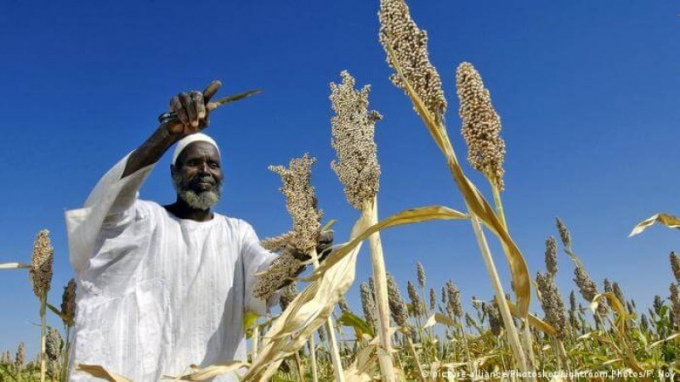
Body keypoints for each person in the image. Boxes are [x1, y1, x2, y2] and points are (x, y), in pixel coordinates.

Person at [64, 83, 331, 381]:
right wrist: (169, 133)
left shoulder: (237, 232)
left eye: (213, 164)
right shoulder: (145, 220)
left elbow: (264, 280)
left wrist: (297, 257)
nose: (205, 169)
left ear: (222, 175)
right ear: (174, 173)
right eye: (193, 162)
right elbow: (107, 206)